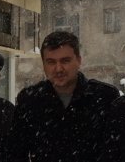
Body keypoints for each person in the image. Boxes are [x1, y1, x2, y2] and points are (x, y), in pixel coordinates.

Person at [11, 31, 119, 162]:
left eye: (65, 61)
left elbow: (116, 151)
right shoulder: (29, 100)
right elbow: (16, 152)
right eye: (51, 62)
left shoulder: (104, 97)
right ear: (43, 64)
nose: (58, 69)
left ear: (79, 60)